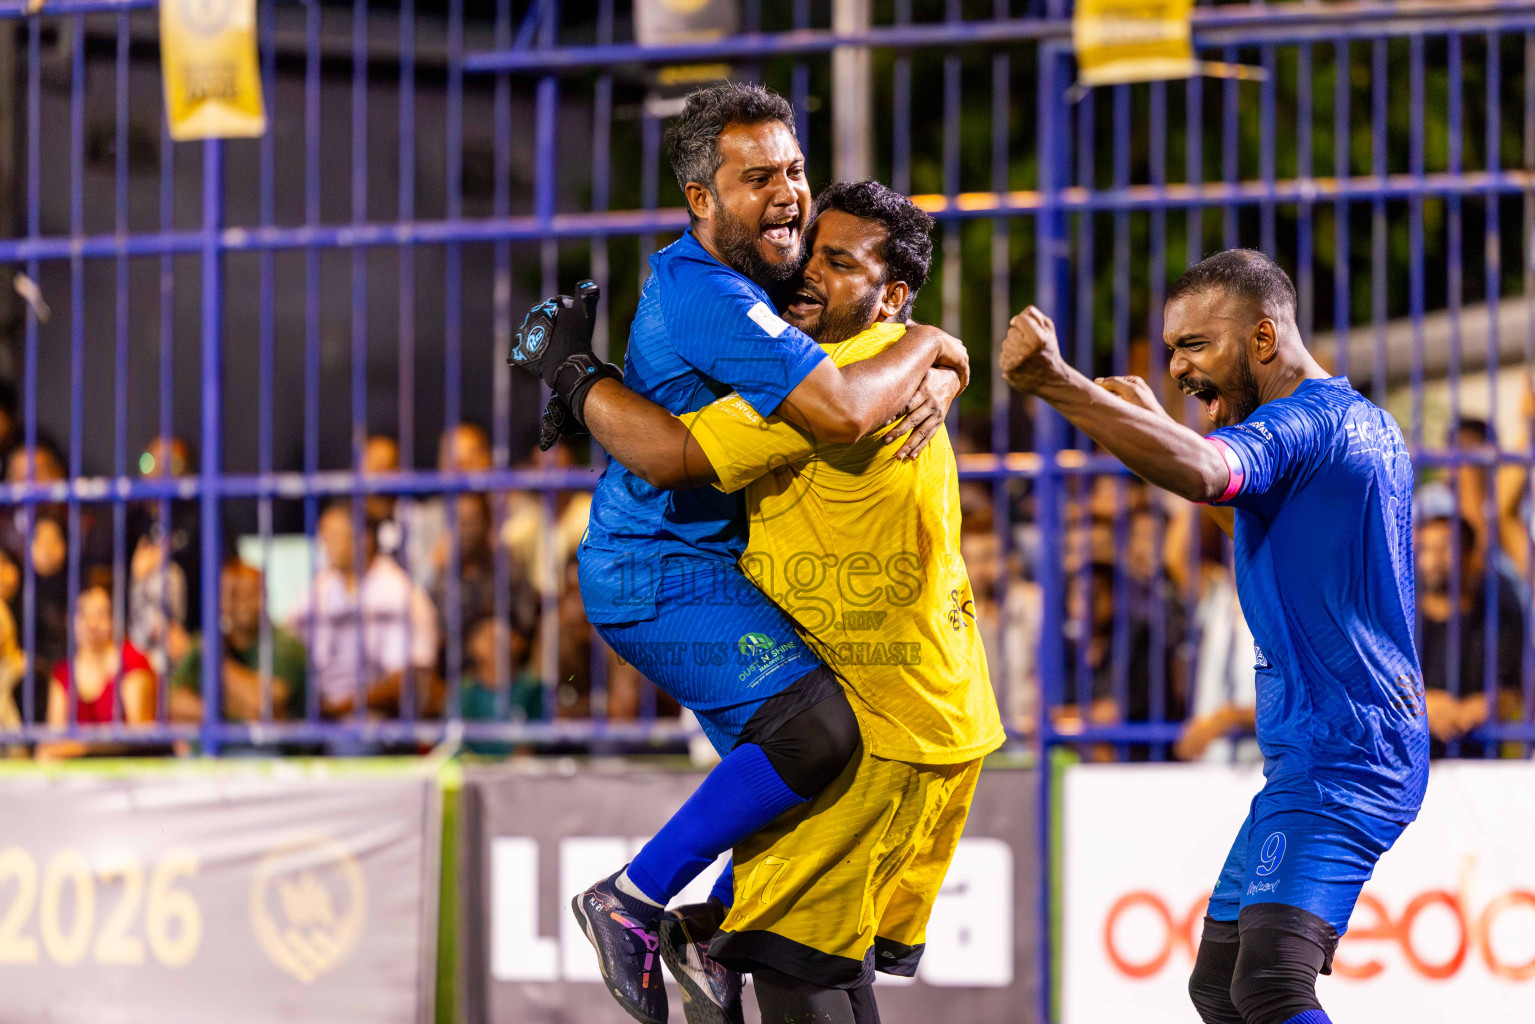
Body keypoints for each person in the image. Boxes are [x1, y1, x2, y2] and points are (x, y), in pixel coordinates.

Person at [509, 84, 966, 1024]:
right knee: (816, 735)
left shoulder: (769, 280)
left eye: (794, 169)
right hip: (662, 574)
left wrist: (942, 359)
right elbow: (819, 410)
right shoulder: (711, 291)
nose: (788, 194)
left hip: (725, 576)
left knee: (797, 795)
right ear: (699, 199)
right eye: (757, 178)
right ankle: (633, 901)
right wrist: (929, 342)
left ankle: (714, 930)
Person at [1001, 249, 1424, 1024]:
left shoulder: (1297, 423)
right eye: (1171, 350)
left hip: (1343, 756)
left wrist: (1055, 385)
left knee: (1268, 988)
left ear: (1262, 340)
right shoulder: (1357, 420)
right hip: (1322, 751)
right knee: (1219, 987)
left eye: (1194, 346)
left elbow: (1208, 475)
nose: (1177, 368)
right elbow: (1240, 503)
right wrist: (1147, 426)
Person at [286, 502, 441, 721]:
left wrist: (341, 707)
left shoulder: (398, 592)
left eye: (334, 535)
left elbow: (405, 683)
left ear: (363, 540)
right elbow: (289, 641)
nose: (325, 545)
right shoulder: (321, 586)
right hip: (317, 710)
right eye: (323, 536)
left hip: (375, 718)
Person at [1413, 502, 1526, 758]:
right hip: (1407, 766)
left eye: (1444, 549)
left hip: (1481, 767)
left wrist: (1485, 706)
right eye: (1425, 549)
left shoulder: (1498, 618)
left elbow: (1515, 689)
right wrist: (1423, 703)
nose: (1432, 560)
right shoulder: (1400, 623)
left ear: (1470, 555)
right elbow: (1375, 686)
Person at [170, 561, 308, 725]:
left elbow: (262, 706)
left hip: (272, 748)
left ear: (264, 596)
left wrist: (216, 661)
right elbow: (172, 702)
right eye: (227, 593)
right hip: (214, 746)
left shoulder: (285, 645)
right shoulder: (205, 640)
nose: (234, 603)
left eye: (245, 594)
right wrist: (231, 715)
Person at [38, 580, 157, 758]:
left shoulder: (133, 661)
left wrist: (82, 748)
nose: (91, 624)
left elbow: (137, 735)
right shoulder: (62, 672)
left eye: (101, 614)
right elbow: (55, 738)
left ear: (114, 620)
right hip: (77, 774)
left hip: (129, 768)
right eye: (82, 614)